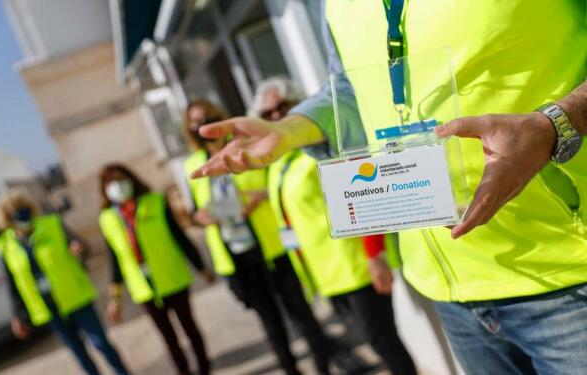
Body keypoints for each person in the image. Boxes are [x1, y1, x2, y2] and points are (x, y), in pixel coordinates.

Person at [189, 2, 587, 374]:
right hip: (452, 290)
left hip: (567, 274)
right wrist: (287, 130)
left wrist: (555, 124)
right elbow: (350, 94)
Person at [253, 77, 417, 375]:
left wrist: (374, 254)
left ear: (299, 103)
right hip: (327, 273)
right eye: (268, 114)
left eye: (283, 106)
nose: (276, 116)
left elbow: (363, 192)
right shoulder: (279, 162)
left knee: (383, 341)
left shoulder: (321, 145)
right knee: (373, 341)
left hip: (357, 266)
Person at [183, 99, 339, 375]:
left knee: (300, 313)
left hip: (272, 245)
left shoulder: (246, 144)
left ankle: (323, 367)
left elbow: (276, 183)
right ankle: (291, 370)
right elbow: (194, 211)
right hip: (237, 256)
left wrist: (260, 196)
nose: (201, 125)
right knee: (271, 322)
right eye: (195, 122)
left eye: (206, 117)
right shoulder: (192, 165)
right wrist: (202, 218)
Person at [0, 190, 130, 375]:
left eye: (23, 209)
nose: (21, 215)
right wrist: (18, 316)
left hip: (75, 295)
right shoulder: (5, 246)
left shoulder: (52, 224)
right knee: (78, 352)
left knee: (100, 343)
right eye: (15, 213)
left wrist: (79, 250)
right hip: (48, 307)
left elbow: (83, 247)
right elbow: (13, 285)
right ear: (7, 218)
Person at [99, 164, 212, 375]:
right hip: (144, 290)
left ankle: (205, 369)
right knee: (169, 339)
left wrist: (201, 267)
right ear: (104, 189)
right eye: (111, 183)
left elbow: (180, 238)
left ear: (132, 179)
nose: (118, 186)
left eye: (121, 180)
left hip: (173, 278)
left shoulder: (156, 202)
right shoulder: (107, 219)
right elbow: (114, 260)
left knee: (190, 330)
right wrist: (115, 298)